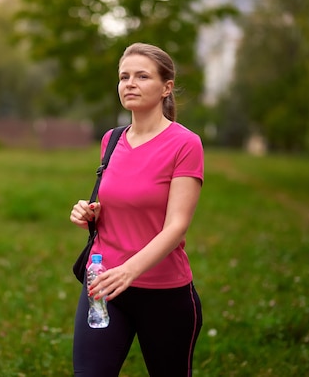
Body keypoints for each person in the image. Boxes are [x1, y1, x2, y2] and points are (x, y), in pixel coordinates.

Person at [69, 42, 204, 377]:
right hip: (104, 287)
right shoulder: (111, 140)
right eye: (124, 76)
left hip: (164, 293)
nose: (129, 83)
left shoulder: (185, 144)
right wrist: (90, 212)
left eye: (142, 76)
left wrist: (130, 270)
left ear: (166, 88)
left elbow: (176, 227)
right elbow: (120, 201)